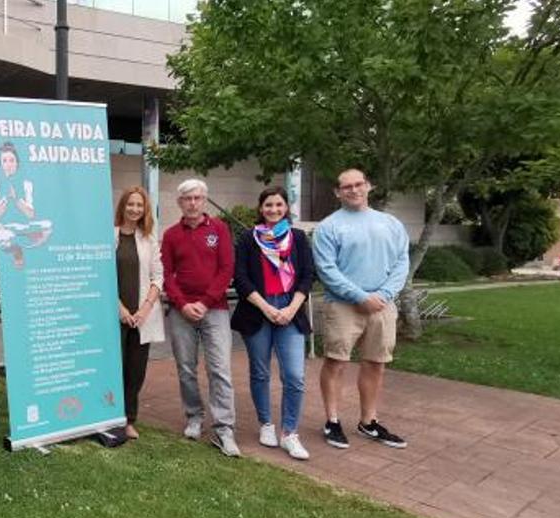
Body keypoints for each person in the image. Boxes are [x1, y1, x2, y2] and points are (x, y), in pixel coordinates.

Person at [314, 168, 410, 450]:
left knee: (376, 363)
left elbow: (402, 262)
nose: (353, 190)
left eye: (358, 184)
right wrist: (358, 296)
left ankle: (368, 422)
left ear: (369, 186)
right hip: (343, 305)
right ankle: (332, 421)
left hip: (382, 305)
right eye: (346, 187)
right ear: (337, 192)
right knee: (336, 362)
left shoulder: (391, 224)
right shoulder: (329, 227)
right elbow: (326, 269)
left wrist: (384, 294)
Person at [230, 186, 315, 461]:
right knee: (260, 372)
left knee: (294, 376)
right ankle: (266, 423)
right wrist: (267, 307)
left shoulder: (298, 238)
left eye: (279, 205)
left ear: (286, 208)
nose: (274, 210)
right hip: (258, 310)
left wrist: (291, 308)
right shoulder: (247, 239)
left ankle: (290, 432)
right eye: (268, 205)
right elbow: (241, 278)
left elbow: (307, 275)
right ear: (260, 208)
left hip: (291, 310)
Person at [161, 179, 239, 456]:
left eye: (197, 198)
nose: (193, 203)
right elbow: (166, 274)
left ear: (204, 200)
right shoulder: (171, 235)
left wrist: (205, 303)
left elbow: (226, 268)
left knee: (220, 369)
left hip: (214, 309)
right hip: (182, 311)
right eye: (187, 198)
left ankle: (224, 429)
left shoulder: (219, 229)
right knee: (186, 368)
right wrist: (182, 304)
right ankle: (194, 416)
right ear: (180, 202)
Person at [112, 186, 165, 440]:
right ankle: (109, 416)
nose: (134, 209)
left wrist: (144, 309)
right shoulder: (108, 236)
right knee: (113, 367)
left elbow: (159, 277)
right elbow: (101, 276)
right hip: (114, 314)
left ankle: (128, 419)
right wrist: (119, 308)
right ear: (122, 206)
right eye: (130, 204)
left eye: (139, 205)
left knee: (135, 370)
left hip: (141, 317)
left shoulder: (149, 238)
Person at [0, 142, 52, 269]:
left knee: (48, 227)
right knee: (2, 234)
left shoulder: (26, 184)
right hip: (4, 227)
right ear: (1, 164)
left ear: (17, 163)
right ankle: (17, 252)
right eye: (5, 161)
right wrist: (5, 199)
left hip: (23, 226)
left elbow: (30, 214)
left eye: (12, 160)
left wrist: (17, 198)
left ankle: (27, 250)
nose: (8, 164)